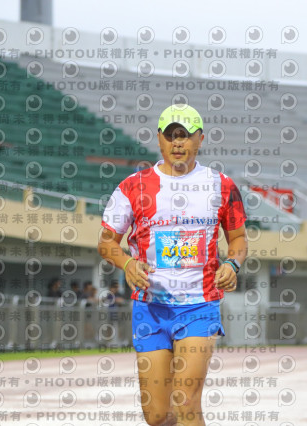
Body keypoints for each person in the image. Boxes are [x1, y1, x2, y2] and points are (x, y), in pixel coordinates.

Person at [98, 104, 248, 426]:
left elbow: (238, 240)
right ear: (159, 139)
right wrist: (127, 263)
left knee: (186, 401)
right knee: (156, 416)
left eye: (185, 135)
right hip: (150, 307)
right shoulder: (133, 186)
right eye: (171, 135)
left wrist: (232, 265)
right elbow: (106, 242)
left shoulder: (221, 185)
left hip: (200, 306)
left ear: (200, 139)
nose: (178, 142)